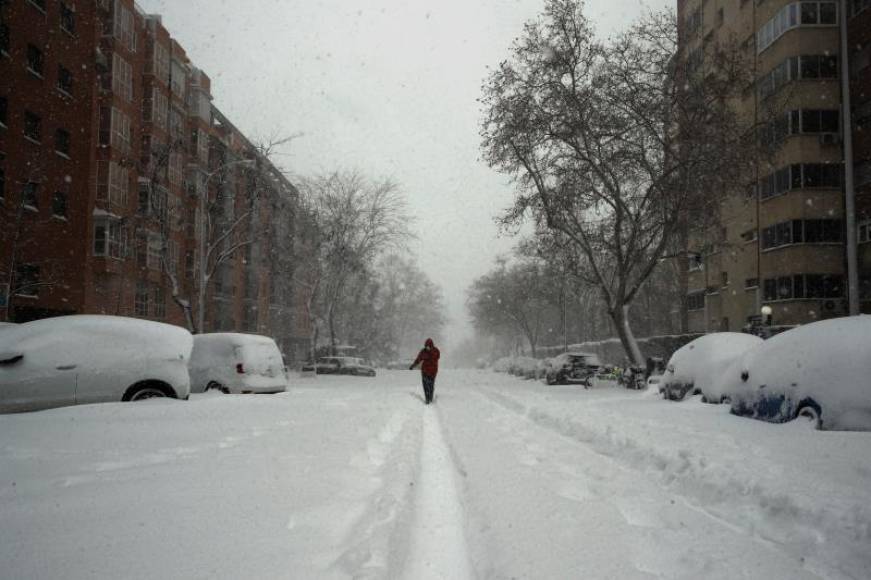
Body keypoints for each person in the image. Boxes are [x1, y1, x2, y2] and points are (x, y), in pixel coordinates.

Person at [410, 338, 440, 404]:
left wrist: (430, 354)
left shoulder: (436, 351)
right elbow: (418, 359)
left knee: (431, 385)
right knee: (425, 385)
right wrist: (413, 365)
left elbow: (437, 357)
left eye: (429, 346)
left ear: (431, 345)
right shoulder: (423, 351)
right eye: (426, 346)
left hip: (433, 372)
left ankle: (430, 398)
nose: (427, 348)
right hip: (425, 371)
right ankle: (427, 399)